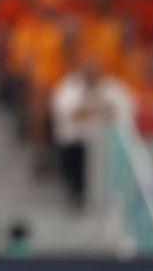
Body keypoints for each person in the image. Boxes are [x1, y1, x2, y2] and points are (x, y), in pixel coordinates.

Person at [49, 59, 134, 206]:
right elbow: (69, 113)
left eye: (94, 73)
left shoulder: (112, 88)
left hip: (106, 142)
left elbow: (121, 112)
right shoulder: (69, 87)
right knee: (75, 153)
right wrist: (96, 109)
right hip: (77, 141)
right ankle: (78, 192)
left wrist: (93, 110)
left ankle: (110, 195)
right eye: (88, 73)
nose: (91, 76)